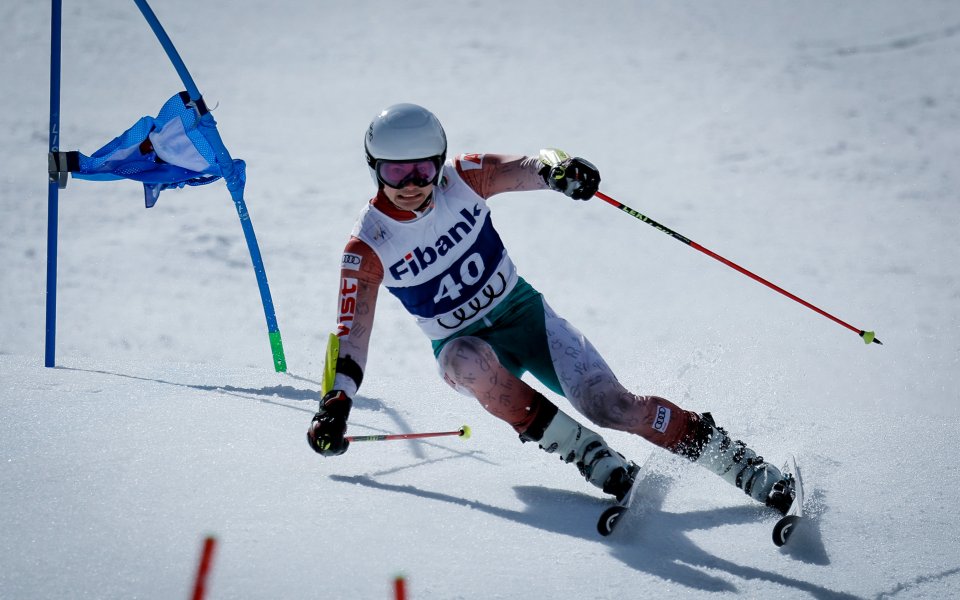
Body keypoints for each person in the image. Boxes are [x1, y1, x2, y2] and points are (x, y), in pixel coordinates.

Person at [307, 103, 795, 511]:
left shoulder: (463, 179)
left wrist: (561, 173)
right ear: (375, 168)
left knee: (614, 407)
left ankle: (737, 463)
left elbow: (531, 166)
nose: (411, 182)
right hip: (464, 345)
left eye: (422, 169)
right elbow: (352, 339)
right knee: (465, 361)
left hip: (525, 316)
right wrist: (336, 404)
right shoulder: (369, 245)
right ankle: (585, 453)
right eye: (396, 170)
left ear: (439, 162)